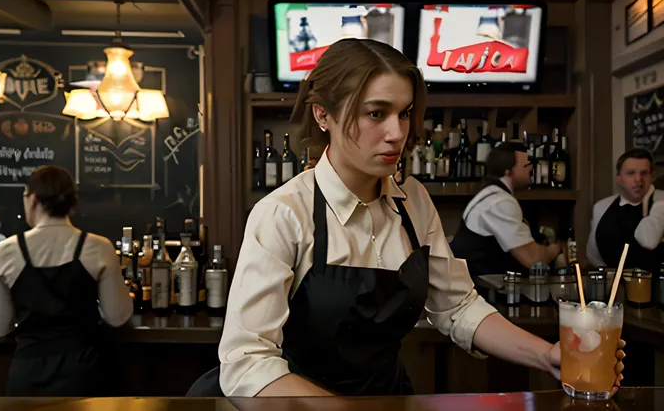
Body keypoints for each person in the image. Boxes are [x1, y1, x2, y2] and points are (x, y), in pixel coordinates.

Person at [211, 39, 624, 397]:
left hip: (391, 399)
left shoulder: (413, 200)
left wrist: (548, 355)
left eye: (405, 113)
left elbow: (457, 306)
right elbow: (247, 363)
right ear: (324, 115)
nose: (398, 133)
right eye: (376, 113)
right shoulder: (284, 213)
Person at [0, 165, 133, 396]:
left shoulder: (4, 251)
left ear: (32, 199)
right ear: (71, 202)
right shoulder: (98, 247)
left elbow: (1, 326)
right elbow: (117, 316)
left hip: (28, 374)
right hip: (83, 374)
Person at [450, 142, 564, 277]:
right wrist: (557, 249)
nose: (531, 168)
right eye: (526, 165)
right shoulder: (500, 202)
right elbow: (533, 258)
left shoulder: (490, 194)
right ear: (508, 170)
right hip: (476, 287)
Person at [587, 148, 664, 272]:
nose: (638, 179)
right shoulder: (601, 206)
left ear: (652, 177)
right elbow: (593, 255)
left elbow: (649, 240)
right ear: (619, 179)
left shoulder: (661, 202)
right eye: (631, 173)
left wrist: (645, 205)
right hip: (613, 284)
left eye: (644, 173)